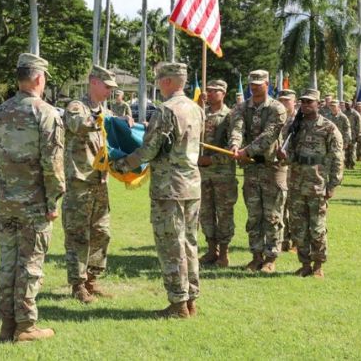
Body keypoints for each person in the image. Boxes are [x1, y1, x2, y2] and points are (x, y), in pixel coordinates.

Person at [0, 53, 65, 342]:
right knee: (30, 264)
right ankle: (26, 326)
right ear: (39, 78)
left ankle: (7, 325)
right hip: (34, 204)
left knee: (8, 263)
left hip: (5, 202)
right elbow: (52, 165)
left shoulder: (0, 112)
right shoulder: (46, 114)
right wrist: (52, 201)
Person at [114, 62, 204, 318]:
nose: (158, 85)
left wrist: (122, 164)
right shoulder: (196, 109)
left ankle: (178, 304)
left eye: (159, 80)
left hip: (169, 188)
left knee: (171, 245)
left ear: (167, 82)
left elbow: (149, 149)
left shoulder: (166, 110)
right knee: (189, 243)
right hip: (192, 185)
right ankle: (191, 300)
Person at [62, 65, 120, 303]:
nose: (110, 91)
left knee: (101, 233)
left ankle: (91, 280)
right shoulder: (77, 107)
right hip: (79, 182)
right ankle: (77, 285)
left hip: (100, 181)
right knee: (78, 235)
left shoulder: (104, 110)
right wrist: (104, 120)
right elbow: (77, 124)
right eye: (107, 86)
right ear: (93, 82)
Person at [228, 69, 287, 273]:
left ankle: (271, 258)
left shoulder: (277, 109)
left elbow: (269, 135)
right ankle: (256, 255)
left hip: (272, 168)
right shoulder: (242, 107)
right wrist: (235, 146)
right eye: (251, 83)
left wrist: (247, 150)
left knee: (272, 215)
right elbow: (236, 127)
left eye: (258, 83)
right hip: (251, 168)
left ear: (267, 84)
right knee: (254, 215)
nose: (254, 87)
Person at [282, 89, 343, 278]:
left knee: (317, 227)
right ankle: (305, 263)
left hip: (318, 183)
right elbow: (289, 155)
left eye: (310, 102)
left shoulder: (328, 127)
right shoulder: (295, 127)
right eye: (303, 102)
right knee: (298, 227)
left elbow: (337, 157)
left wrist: (333, 184)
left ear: (318, 104)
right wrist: (284, 156)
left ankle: (318, 265)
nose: (306, 105)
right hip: (297, 182)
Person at [198, 79, 238, 267]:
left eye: (215, 91)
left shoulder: (230, 116)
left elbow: (233, 149)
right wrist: (198, 107)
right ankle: (211, 250)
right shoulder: (201, 114)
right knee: (205, 213)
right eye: (209, 91)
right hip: (203, 174)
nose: (211, 93)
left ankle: (223, 253)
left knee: (224, 214)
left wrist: (212, 160)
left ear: (223, 93)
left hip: (222, 173)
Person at [278, 89, 297, 252]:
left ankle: (297, 240)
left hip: (295, 168)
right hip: (279, 167)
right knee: (281, 203)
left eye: (287, 101)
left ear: (294, 102)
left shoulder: (300, 120)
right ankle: (284, 239)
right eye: (281, 101)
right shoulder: (276, 119)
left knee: (294, 204)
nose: (284, 104)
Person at [343, 101, 361, 169]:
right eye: (346, 104)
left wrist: (358, 135)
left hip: (353, 135)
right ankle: (346, 164)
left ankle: (352, 164)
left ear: (351, 105)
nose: (347, 105)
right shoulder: (343, 113)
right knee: (346, 151)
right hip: (345, 135)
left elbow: (359, 125)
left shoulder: (355, 114)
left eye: (348, 104)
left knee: (352, 150)